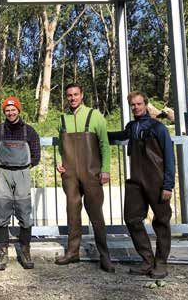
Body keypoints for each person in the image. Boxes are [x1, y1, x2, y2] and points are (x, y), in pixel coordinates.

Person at [108, 91, 174, 278]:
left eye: (139, 104)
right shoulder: (131, 127)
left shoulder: (158, 127)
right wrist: (98, 134)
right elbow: (118, 135)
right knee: (131, 218)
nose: (136, 107)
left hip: (157, 181)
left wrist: (168, 185)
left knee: (161, 221)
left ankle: (161, 263)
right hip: (136, 181)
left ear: (146, 104)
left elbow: (169, 157)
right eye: (133, 105)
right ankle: (147, 260)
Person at [55, 83, 115, 273]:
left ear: (82, 95)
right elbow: (60, 146)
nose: (72, 98)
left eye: (75, 94)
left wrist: (105, 170)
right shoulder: (62, 119)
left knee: (96, 213)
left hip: (92, 173)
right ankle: (72, 252)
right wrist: (59, 162)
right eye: (69, 95)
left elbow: (104, 145)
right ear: (66, 97)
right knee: (72, 212)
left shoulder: (95, 115)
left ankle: (105, 256)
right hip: (70, 174)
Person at [0, 96, 41, 270]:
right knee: (2, 214)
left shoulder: (29, 131)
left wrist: (24, 168)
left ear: (18, 110)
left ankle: (25, 252)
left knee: (24, 214)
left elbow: (36, 155)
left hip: (23, 174)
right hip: (3, 174)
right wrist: (2, 168)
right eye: (7, 110)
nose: (11, 113)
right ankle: (2, 255)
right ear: (4, 112)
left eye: (13, 109)